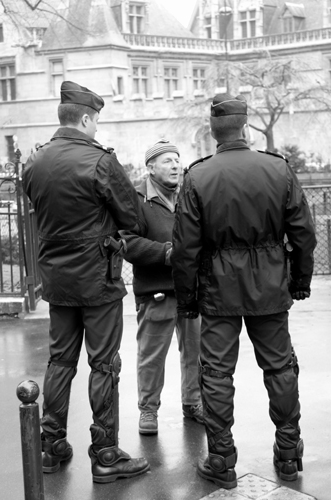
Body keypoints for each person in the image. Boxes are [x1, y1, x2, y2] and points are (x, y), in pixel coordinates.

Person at [171, 94, 317, 489]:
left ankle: (221, 458)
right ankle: (288, 454)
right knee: (280, 367)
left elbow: (185, 247)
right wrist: (299, 280)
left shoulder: (198, 176)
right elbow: (304, 233)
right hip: (269, 285)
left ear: (214, 132)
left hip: (218, 289)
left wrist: (187, 300)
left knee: (216, 373)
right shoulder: (277, 169)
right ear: (246, 127)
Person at [22, 81, 150, 483]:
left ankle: (50, 445)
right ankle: (106, 453)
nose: (97, 130)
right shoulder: (99, 160)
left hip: (57, 281)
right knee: (104, 365)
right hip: (98, 279)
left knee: (60, 360)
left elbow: (38, 207)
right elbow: (135, 219)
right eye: (95, 122)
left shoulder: (35, 162)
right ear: (85, 119)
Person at [121, 140, 203, 435]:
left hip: (191, 290)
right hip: (156, 291)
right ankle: (148, 410)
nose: (176, 166)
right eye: (167, 161)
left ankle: (193, 403)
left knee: (195, 352)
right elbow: (127, 242)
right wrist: (167, 253)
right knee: (151, 356)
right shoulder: (136, 199)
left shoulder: (190, 195)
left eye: (177, 160)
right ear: (151, 167)